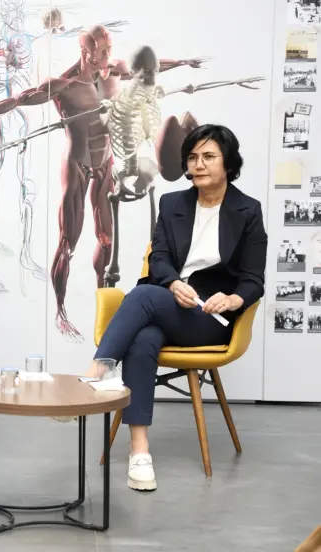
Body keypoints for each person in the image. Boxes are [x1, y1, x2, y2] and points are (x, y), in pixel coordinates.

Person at [88, 124, 267, 492]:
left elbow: (253, 278)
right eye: (192, 157)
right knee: (143, 341)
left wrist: (232, 300)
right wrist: (172, 283)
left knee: (141, 296)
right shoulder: (173, 204)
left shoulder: (248, 210)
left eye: (208, 157)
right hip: (168, 303)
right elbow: (160, 258)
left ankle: (97, 372)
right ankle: (140, 451)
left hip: (209, 316)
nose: (198, 164)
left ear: (229, 163)